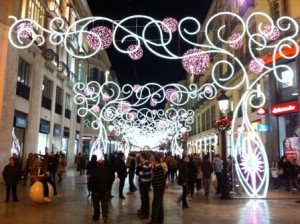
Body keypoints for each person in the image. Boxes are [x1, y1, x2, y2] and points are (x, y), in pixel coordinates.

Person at [147, 156, 166, 224]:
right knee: (159, 204)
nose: (152, 162)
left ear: (156, 161)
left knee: (155, 205)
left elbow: (162, 178)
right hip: (158, 188)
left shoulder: (159, 168)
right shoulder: (156, 167)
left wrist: (164, 185)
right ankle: (160, 220)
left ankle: (154, 221)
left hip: (159, 188)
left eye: (153, 161)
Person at [137, 153, 152, 219]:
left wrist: (139, 169)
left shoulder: (145, 165)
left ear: (143, 158)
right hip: (147, 182)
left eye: (140, 157)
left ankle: (145, 213)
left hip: (145, 183)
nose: (140, 159)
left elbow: (140, 173)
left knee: (144, 198)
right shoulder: (148, 163)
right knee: (144, 198)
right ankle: (144, 211)